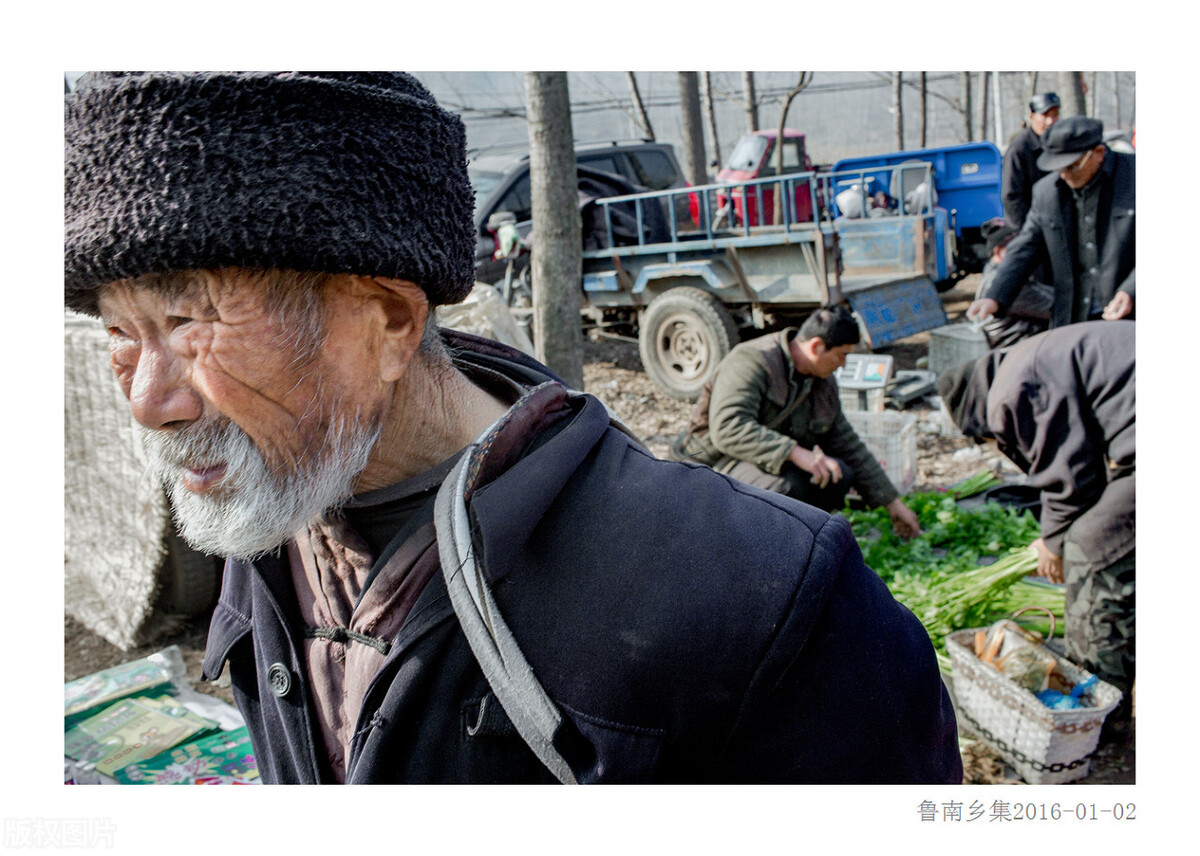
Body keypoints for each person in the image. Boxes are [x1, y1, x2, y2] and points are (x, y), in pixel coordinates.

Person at [64, 72, 961, 784]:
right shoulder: (270, 514)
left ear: (383, 322)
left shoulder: (767, 602)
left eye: (191, 322)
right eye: (119, 331)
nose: (148, 400)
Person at [936, 321, 1135, 739]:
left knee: (1090, 546)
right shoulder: (1027, 359)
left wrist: (1053, 542)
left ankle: (1098, 715)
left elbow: (1069, 477)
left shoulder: (1014, 388)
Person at [674, 305, 921, 538]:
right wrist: (794, 453)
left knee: (838, 475)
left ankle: (802, 537)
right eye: (841, 355)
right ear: (816, 347)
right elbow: (728, 428)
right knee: (785, 489)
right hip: (710, 465)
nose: (843, 364)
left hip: (760, 462)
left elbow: (846, 442)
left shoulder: (821, 380)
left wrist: (891, 502)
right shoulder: (752, 361)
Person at [969, 116, 1135, 330]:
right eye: (1058, 168)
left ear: (1098, 153)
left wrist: (1132, 289)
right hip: (1075, 316)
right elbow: (1025, 246)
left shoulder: (1135, 178)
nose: (1065, 175)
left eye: (1072, 167)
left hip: (1129, 315)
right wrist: (995, 296)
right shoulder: (1047, 192)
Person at [973, 218, 1053, 349]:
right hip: (1018, 352)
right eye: (1015, 247)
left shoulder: (992, 271)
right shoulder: (1004, 283)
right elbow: (1055, 306)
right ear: (998, 252)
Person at [1001, 92, 1061, 229]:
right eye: (1045, 115)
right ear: (1032, 117)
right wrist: (1028, 231)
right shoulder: (1019, 150)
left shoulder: (1060, 145)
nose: (1050, 121)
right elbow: (1011, 197)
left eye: (1055, 115)